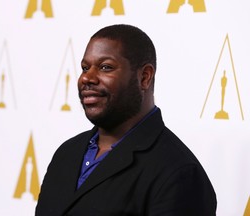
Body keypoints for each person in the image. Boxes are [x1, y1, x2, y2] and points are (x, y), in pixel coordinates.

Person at [35, 24, 217, 216]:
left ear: (144, 77)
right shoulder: (66, 153)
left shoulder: (179, 173)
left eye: (105, 67)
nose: (87, 78)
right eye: (85, 68)